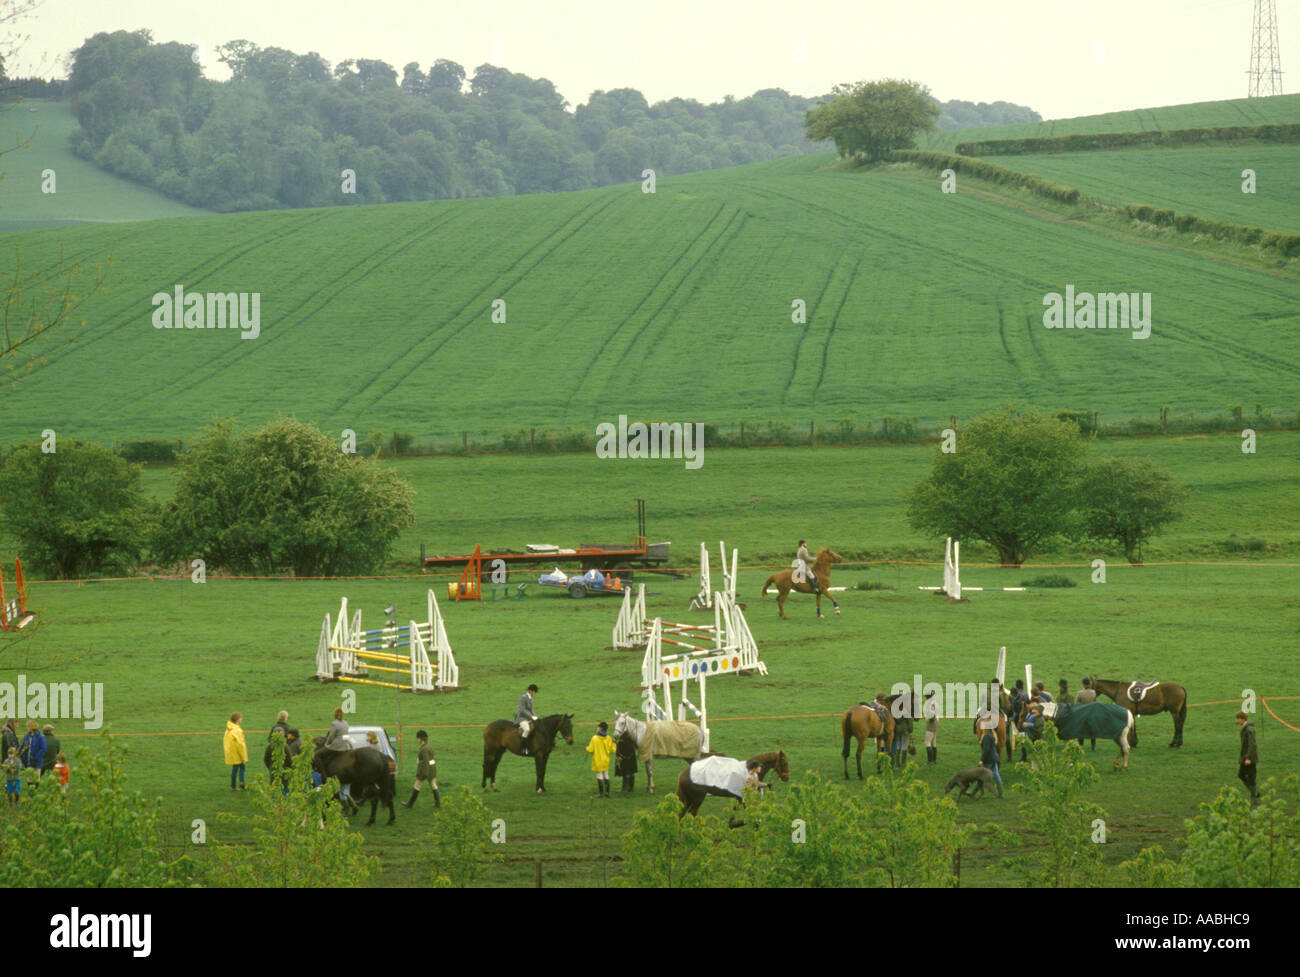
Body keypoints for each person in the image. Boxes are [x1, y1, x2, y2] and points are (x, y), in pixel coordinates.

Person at [402, 730, 440, 809]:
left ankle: (410, 804)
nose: (417, 740)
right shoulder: (429, 746)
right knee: (433, 785)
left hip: (425, 770)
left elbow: (425, 762)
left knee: (417, 785)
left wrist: (424, 774)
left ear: (421, 739)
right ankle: (438, 804)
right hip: (432, 769)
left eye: (417, 738)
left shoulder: (424, 749)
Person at [324, 707, 353, 807]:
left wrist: (327, 744)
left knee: (319, 755)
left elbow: (331, 736)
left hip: (336, 746)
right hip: (345, 745)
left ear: (335, 714)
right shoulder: (346, 723)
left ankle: (324, 773)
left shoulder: (334, 723)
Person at [586, 721, 617, 797]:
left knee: (599, 776)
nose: (597, 728)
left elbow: (590, 750)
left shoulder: (594, 738)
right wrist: (614, 743)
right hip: (606, 761)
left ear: (600, 729)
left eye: (598, 727)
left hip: (597, 760)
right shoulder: (609, 738)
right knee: (606, 775)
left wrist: (586, 748)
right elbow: (613, 750)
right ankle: (607, 793)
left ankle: (601, 793)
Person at [1237, 711, 1259, 804]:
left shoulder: (1249, 730)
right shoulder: (1245, 728)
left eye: (1238, 719)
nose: (1237, 721)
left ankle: (1253, 797)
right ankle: (1254, 792)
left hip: (1249, 758)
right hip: (1245, 757)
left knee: (1251, 777)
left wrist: (1248, 758)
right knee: (1241, 774)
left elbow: (1252, 745)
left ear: (1242, 719)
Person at [224, 712, 247, 790]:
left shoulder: (229, 729)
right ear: (238, 720)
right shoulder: (237, 730)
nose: (242, 719)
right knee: (241, 767)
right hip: (237, 753)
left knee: (236, 767)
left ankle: (235, 784)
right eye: (241, 718)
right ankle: (240, 782)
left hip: (231, 752)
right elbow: (240, 745)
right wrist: (243, 756)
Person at [18, 720, 46, 787]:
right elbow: (22, 747)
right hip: (28, 762)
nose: (27, 728)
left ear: (32, 727)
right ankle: (31, 794)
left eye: (28, 727)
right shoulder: (26, 737)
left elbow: (43, 748)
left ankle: (36, 791)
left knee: (36, 777)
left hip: (37, 762)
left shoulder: (40, 737)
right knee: (29, 778)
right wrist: (21, 755)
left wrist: (37, 757)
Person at [1073, 678, 1097, 750]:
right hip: (1091, 713)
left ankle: (1080, 745)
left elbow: (1077, 704)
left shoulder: (1080, 693)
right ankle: (1093, 746)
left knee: (1081, 730)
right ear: (1089, 684)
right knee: (1092, 730)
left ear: (1083, 684)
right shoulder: (1093, 692)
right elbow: (1095, 702)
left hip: (1082, 713)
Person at [515, 684, 539, 755]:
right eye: (534, 692)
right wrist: (531, 717)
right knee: (527, 729)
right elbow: (522, 710)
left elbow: (530, 710)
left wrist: (536, 716)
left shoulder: (530, 698)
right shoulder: (523, 698)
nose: (535, 694)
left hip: (527, 717)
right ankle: (523, 748)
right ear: (530, 691)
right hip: (521, 718)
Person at [978, 728, 1003, 798]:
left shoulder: (986, 737)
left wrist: (981, 760)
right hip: (994, 759)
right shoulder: (992, 735)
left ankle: (973, 792)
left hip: (988, 760)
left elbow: (986, 750)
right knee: (996, 775)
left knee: (980, 775)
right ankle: (1001, 793)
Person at [924, 691, 941, 765]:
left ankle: (930, 761)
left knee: (927, 742)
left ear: (926, 696)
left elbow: (931, 715)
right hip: (936, 723)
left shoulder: (929, 704)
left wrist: (928, 717)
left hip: (931, 723)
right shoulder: (934, 702)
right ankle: (934, 760)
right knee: (933, 742)